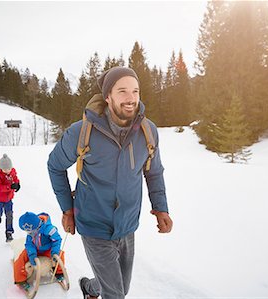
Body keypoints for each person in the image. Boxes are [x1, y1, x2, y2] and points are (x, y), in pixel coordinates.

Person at [47, 66, 173, 299]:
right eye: (122, 91)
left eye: (135, 91)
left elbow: (154, 172)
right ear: (108, 97)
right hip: (94, 224)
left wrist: (161, 208)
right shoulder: (81, 132)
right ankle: (101, 289)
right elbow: (55, 165)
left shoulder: (148, 132)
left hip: (127, 224)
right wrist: (67, 209)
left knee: (120, 288)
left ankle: (90, 288)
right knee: (115, 295)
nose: (130, 98)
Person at [14, 212, 65, 291]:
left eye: (30, 231)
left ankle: (59, 272)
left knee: (60, 255)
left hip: (48, 249)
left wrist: (55, 252)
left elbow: (57, 240)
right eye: (27, 232)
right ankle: (20, 279)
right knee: (21, 258)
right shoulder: (30, 232)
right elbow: (29, 244)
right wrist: (32, 254)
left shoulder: (49, 229)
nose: (29, 233)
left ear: (37, 226)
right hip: (36, 249)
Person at [0, 153, 20, 242]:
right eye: (5, 169)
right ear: (1, 168)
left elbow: (15, 179)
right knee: (0, 213)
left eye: (9, 168)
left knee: (9, 215)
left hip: (8, 199)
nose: (7, 171)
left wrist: (17, 185)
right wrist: (10, 187)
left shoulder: (12, 172)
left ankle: (9, 233)